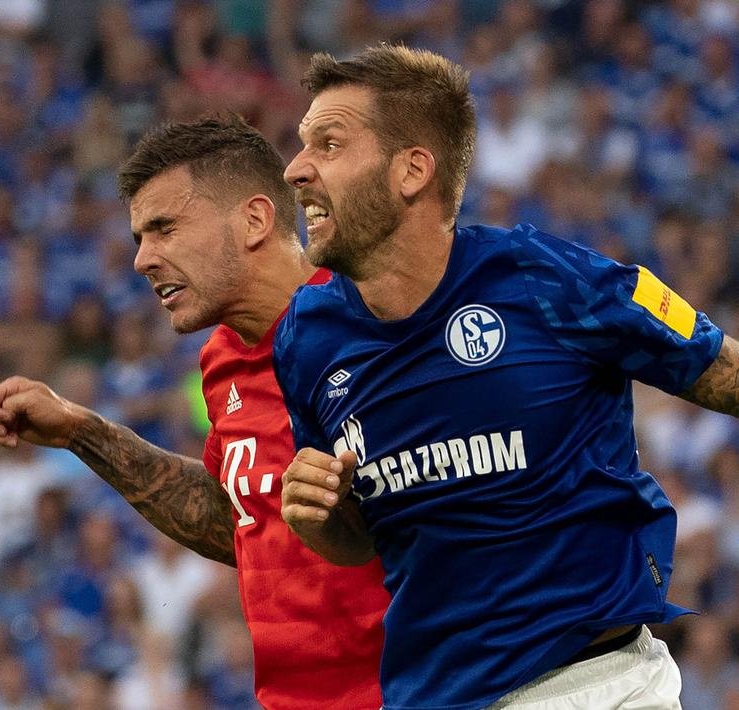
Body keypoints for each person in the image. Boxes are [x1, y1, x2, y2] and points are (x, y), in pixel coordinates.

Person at [274, 44, 739, 709]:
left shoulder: (547, 280)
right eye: (300, 145)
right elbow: (362, 540)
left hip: (593, 685)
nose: (294, 169)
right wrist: (317, 517)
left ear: (411, 171)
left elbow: (719, 367)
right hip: (430, 696)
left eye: (328, 144)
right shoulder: (306, 339)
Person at [0, 116, 387, 709]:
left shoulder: (373, 326)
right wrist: (81, 432)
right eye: (141, 237)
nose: (143, 259)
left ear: (254, 219)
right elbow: (241, 523)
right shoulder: (221, 360)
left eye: (165, 229)